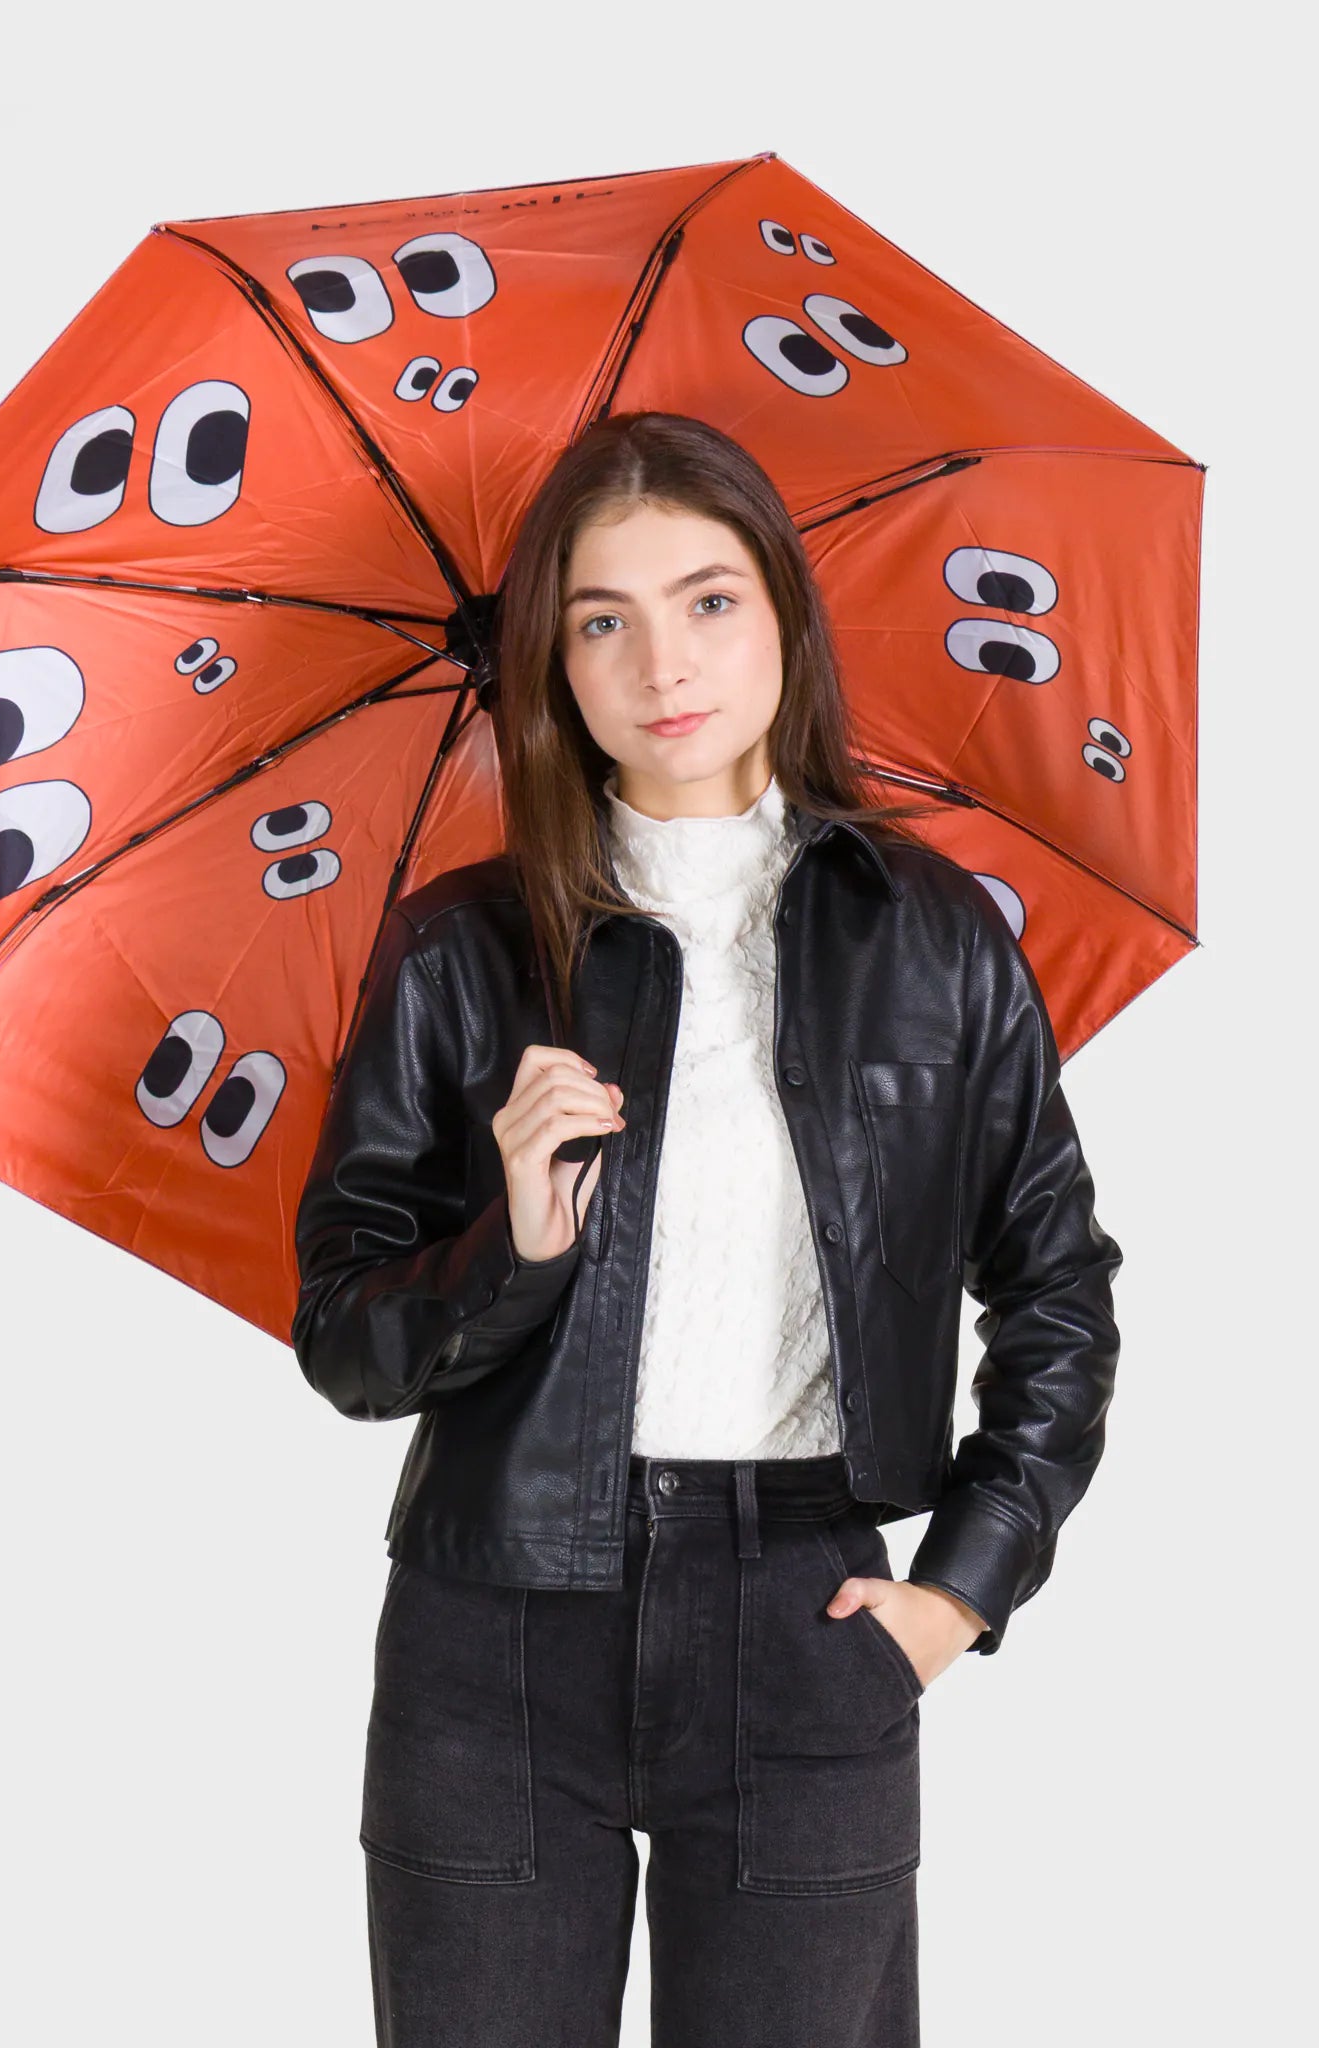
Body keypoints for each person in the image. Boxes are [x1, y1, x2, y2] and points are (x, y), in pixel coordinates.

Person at [291, 411, 1123, 2047]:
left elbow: (1059, 1292)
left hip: (805, 1612)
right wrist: (512, 1246)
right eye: (601, 619)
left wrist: (961, 1587)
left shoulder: (934, 938)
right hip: (495, 1637)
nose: (661, 660)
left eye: (707, 600)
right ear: (552, 663)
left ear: (786, 617)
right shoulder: (462, 952)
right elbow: (346, 1337)